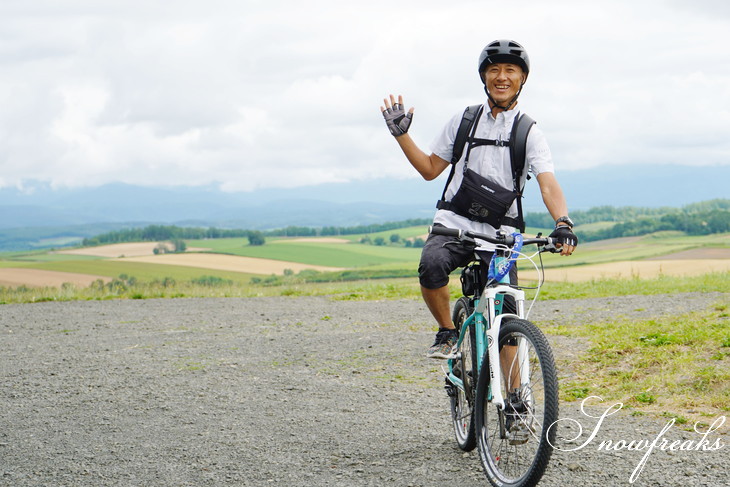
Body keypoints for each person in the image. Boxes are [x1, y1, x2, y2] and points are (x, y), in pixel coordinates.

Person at [380, 39, 578, 359]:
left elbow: (547, 183)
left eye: (510, 70)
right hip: (454, 223)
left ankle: (513, 401)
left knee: (507, 323)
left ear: (522, 79)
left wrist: (563, 222)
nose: (501, 76)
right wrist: (402, 136)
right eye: (493, 70)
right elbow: (431, 169)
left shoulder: (528, 132)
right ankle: (447, 330)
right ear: (484, 77)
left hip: (501, 234)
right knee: (431, 265)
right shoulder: (464, 121)